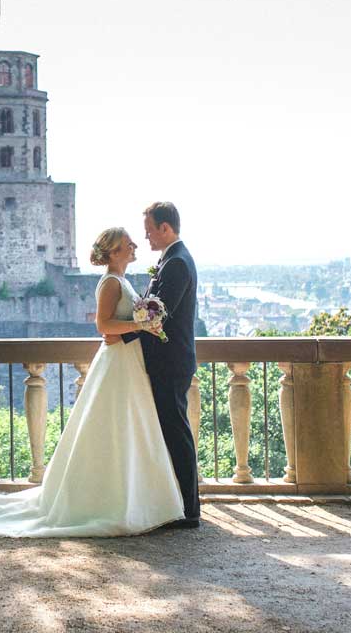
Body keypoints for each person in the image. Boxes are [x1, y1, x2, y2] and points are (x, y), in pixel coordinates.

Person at [0, 226, 185, 537]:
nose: (135, 245)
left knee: (129, 428)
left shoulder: (120, 280)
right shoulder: (110, 281)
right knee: (116, 426)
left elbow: (116, 327)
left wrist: (141, 324)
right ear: (113, 252)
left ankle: (133, 500)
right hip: (119, 361)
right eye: (127, 244)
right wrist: (140, 324)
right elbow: (103, 326)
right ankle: (116, 503)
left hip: (128, 360)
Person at [114, 201, 200, 527]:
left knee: (177, 433)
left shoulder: (177, 263)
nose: (146, 237)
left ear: (166, 228)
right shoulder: (169, 260)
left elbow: (158, 315)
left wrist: (121, 335)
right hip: (168, 360)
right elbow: (151, 303)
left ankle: (190, 510)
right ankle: (177, 502)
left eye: (150, 230)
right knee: (169, 432)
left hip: (171, 361)